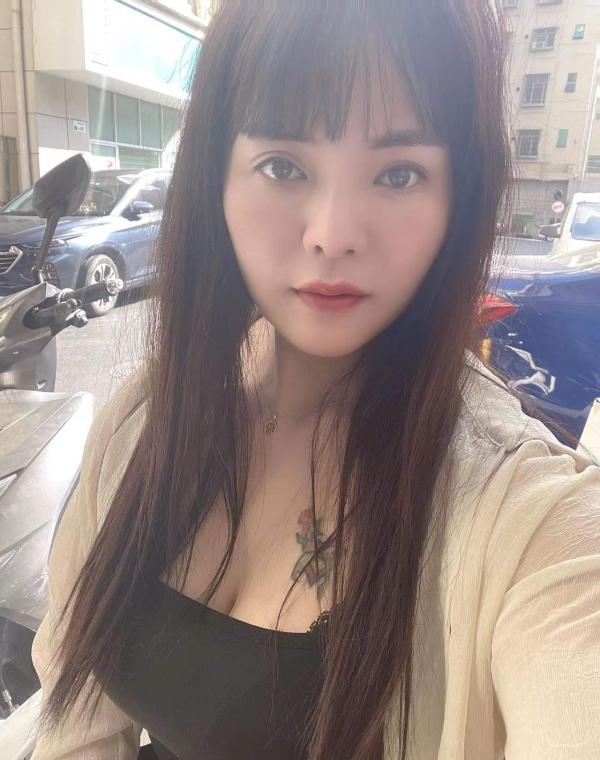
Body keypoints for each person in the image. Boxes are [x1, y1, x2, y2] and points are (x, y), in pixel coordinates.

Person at [30, 2, 600, 759]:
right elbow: (75, 717)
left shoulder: (530, 518)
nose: (332, 234)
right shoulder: (148, 413)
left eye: (399, 173)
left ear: (457, 200)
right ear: (215, 176)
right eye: (284, 166)